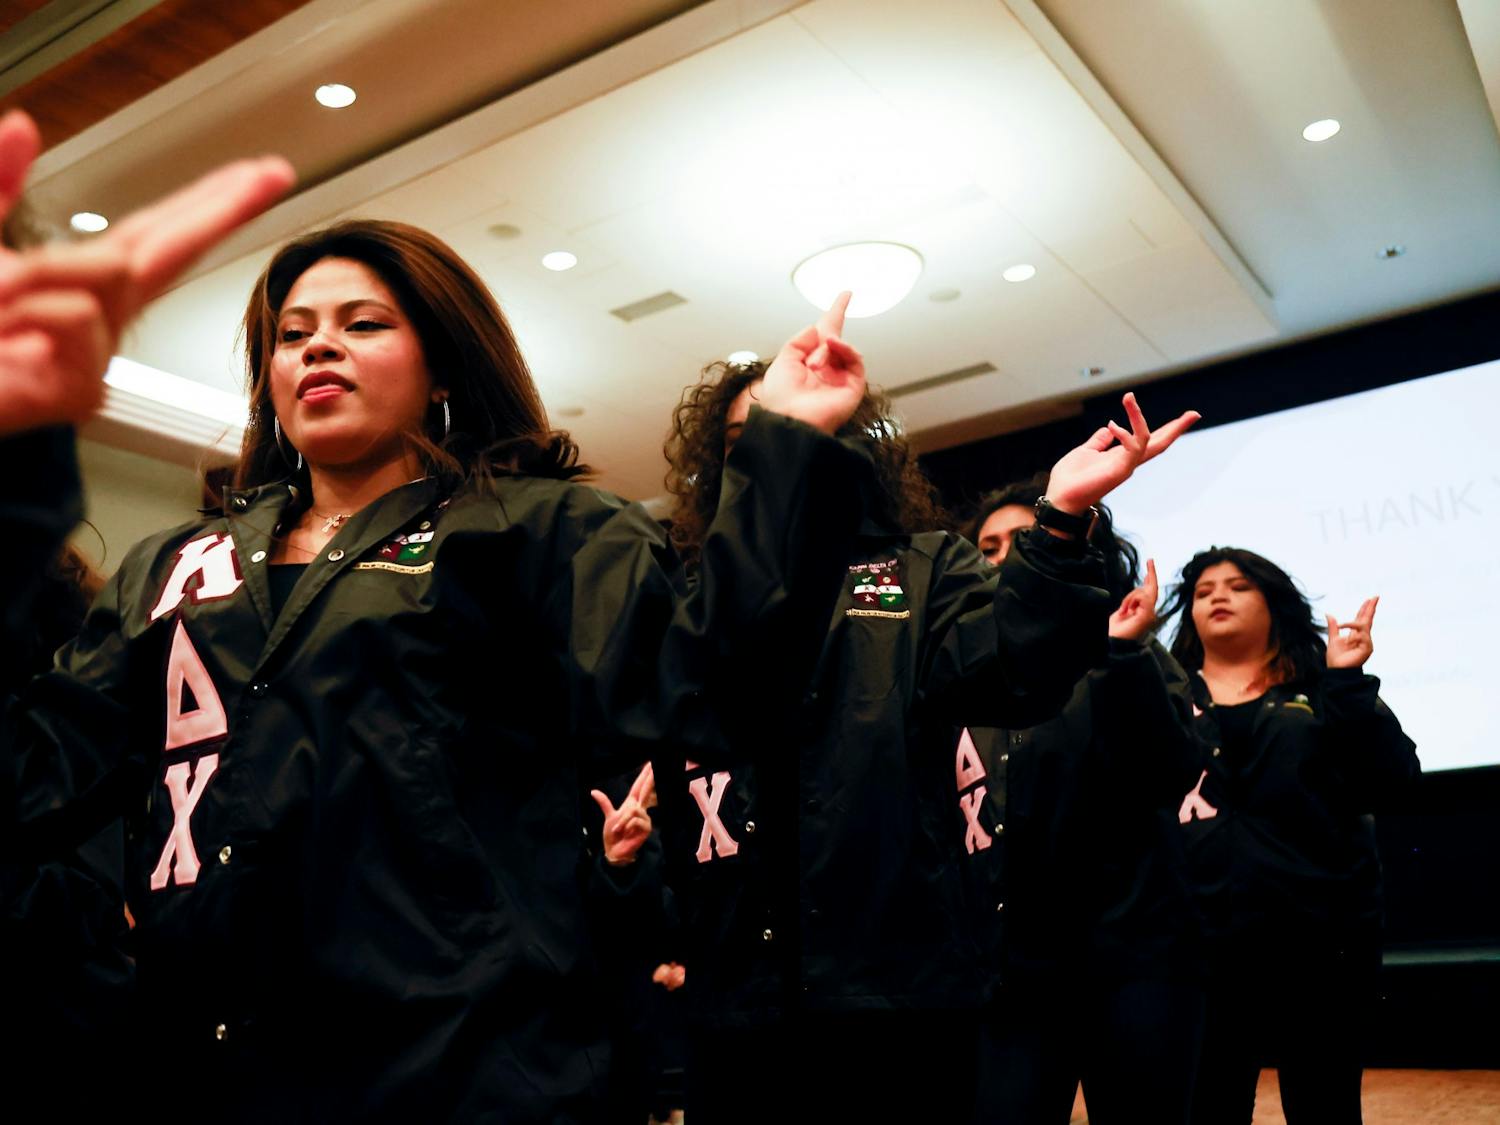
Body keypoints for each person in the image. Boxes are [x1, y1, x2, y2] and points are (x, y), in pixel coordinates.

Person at [1, 206, 881, 1121]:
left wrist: (785, 445)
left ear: (443, 367)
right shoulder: (178, 564)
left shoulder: (536, 530)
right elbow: (37, 773)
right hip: (214, 1065)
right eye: (292, 335)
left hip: (464, 1064)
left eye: (364, 324)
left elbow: (709, 688)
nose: (318, 349)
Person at [658, 356, 1199, 1123]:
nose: (787, 451)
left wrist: (1060, 516)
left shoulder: (925, 568)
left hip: (900, 989)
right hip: (737, 996)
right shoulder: (694, 598)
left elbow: (1017, 669)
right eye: (757, 439)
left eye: (812, 429)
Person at [964, 478, 1205, 1125]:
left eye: (1018, 538)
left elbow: (1174, 769)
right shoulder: (958, 668)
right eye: (987, 546)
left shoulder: (1131, 648)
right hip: (1009, 969)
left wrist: (1124, 656)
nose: (1003, 555)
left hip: (1135, 957)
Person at [1162, 548, 1420, 1124]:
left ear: (1272, 602)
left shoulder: (1324, 688)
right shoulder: (1165, 695)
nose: (1218, 597)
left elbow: (1394, 780)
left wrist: (1349, 682)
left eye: (1237, 586)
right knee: (1206, 1108)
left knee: (1325, 1107)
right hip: (1199, 944)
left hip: (1321, 943)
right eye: (1204, 591)